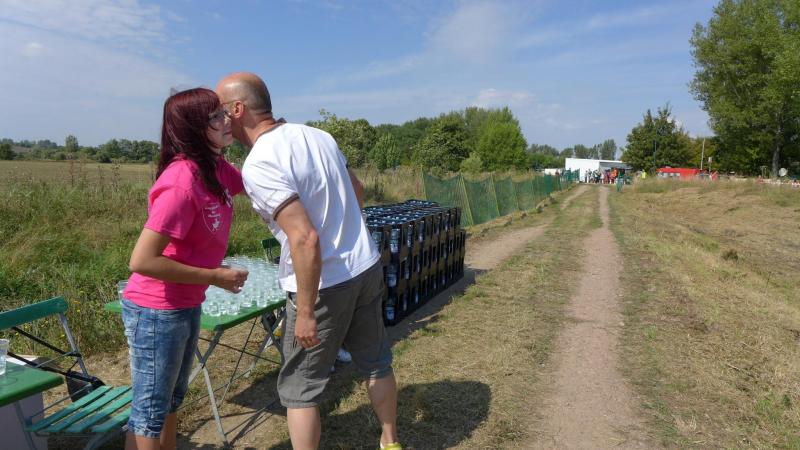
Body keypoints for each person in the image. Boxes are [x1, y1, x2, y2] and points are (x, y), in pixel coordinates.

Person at [216, 72, 400, 450]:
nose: (216, 119)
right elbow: (357, 189)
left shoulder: (260, 162)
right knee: (377, 362)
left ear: (237, 109)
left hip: (324, 284)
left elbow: (304, 238)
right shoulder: (318, 136)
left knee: (300, 389)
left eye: (219, 110)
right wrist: (347, 235)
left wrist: (304, 312)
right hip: (364, 267)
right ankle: (391, 442)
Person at [121, 88, 249, 450]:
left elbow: (255, 181)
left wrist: (267, 134)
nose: (227, 120)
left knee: (172, 400)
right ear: (193, 128)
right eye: (215, 117)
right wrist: (214, 276)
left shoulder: (215, 168)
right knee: (149, 412)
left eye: (225, 112)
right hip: (156, 309)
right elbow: (142, 260)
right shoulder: (182, 181)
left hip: (186, 302)